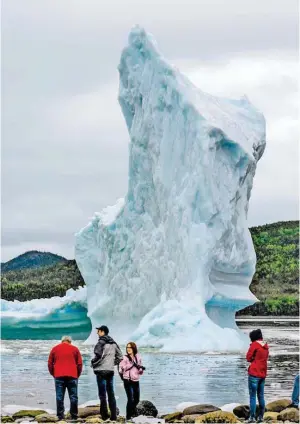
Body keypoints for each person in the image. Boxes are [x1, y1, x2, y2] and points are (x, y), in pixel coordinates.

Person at [91, 325, 123, 421]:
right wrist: (112, 364)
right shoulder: (113, 343)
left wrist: (93, 362)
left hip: (100, 371)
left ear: (102, 332)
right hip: (110, 371)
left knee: (102, 395)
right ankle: (113, 416)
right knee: (111, 393)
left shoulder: (101, 342)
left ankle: (104, 416)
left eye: (98, 331)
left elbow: (97, 355)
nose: (97, 333)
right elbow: (120, 357)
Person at [48, 335, 83, 421]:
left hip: (59, 375)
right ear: (70, 341)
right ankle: (74, 415)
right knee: (73, 396)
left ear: (62, 341)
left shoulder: (55, 349)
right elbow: (79, 364)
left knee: (59, 396)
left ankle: (60, 415)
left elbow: (49, 363)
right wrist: (77, 375)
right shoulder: (75, 349)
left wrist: (53, 373)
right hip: (72, 376)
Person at [246, 329, 269, 423]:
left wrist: (253, 360)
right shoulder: (266, 346)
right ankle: (260, 417)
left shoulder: (254, 345)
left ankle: (252, 417)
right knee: (261, 396)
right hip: (263, 374)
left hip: (254, 373)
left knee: (252, 396)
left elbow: (248, 357)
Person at [119, 342, 145, 420]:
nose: (128, 349)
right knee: (130, 399)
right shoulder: (124, 358)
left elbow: (140, 372)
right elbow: (121, 369)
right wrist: (131, 364)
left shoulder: (138, 357)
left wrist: (141, 369)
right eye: (127, 348)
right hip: (127, 380)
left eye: (130, 348)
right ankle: (128, 417)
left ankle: (132, 414)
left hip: (136, 380)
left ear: (134, 348)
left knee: (137, 399)